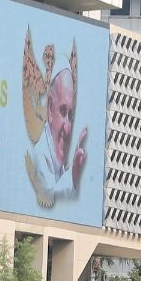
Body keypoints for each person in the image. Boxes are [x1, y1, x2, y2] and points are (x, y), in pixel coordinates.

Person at [27, 64, 88, 205]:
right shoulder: (41, 158)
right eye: (62, 111)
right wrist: (73, 174)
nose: (67, 128)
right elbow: (49, 200)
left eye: (70, 114)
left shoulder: (56, 158)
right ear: (49, 109)